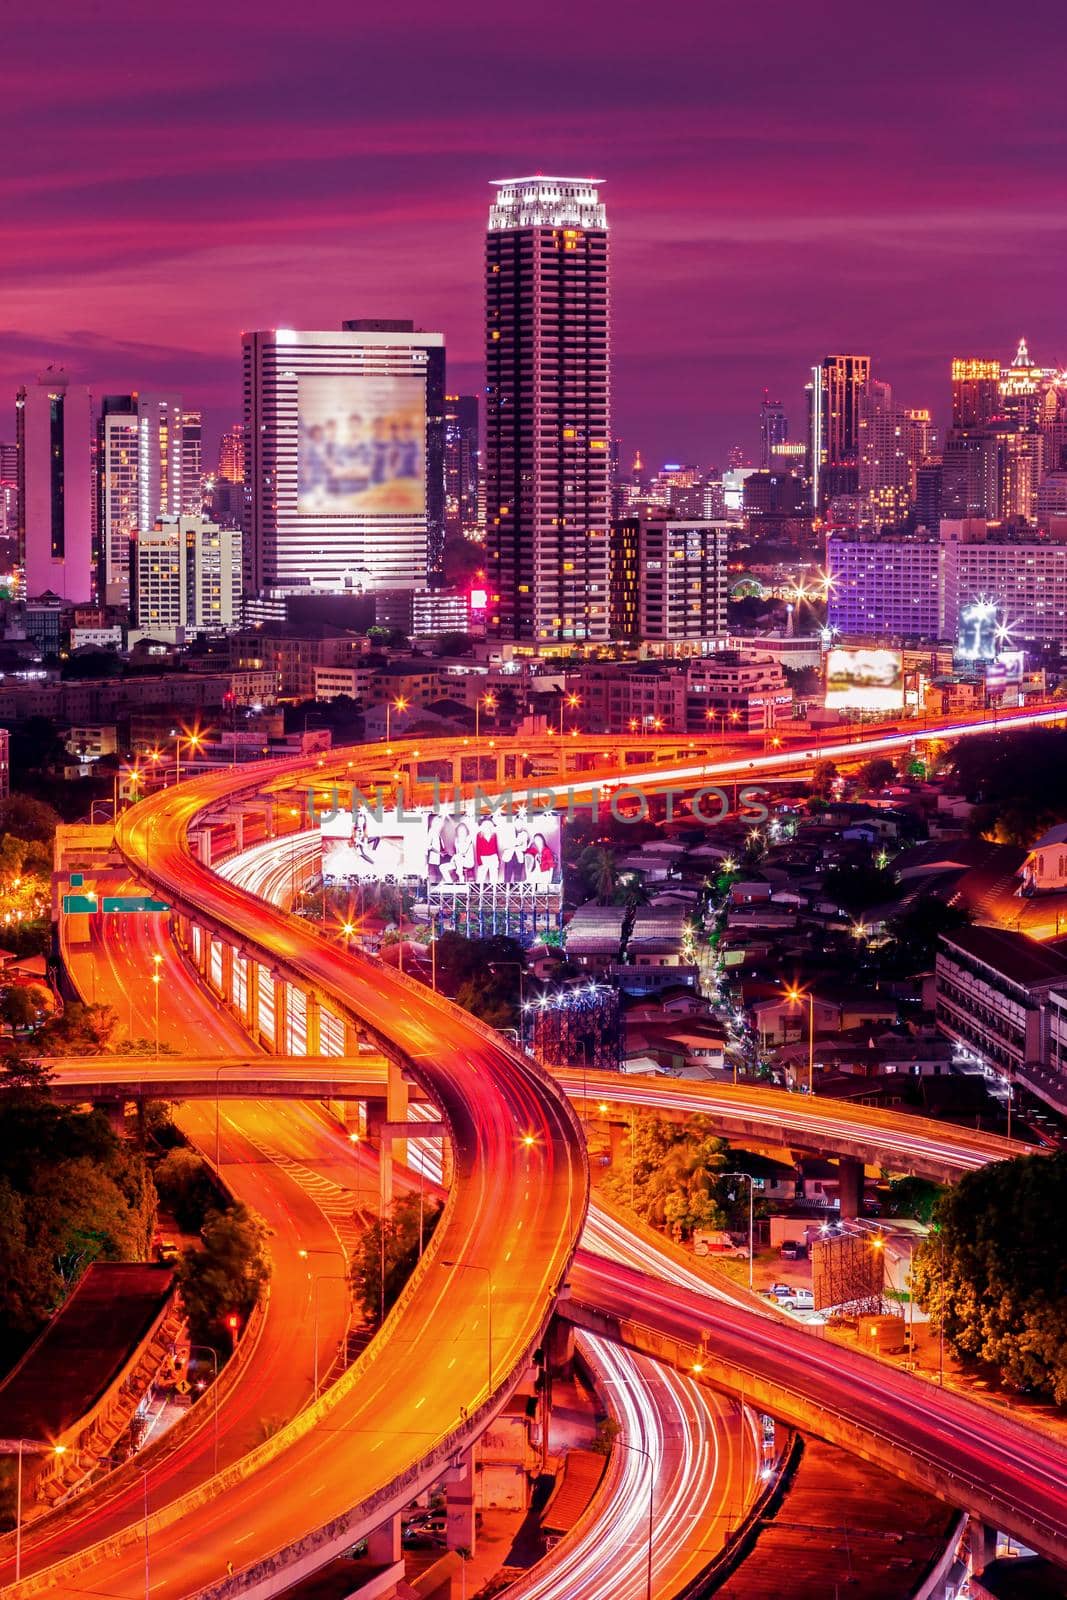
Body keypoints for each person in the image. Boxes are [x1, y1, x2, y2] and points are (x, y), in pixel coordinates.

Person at [474, 816, 501, 885]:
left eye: (489, 825)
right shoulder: (479, 835)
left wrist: (498, 859)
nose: (487, 827)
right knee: (480, 878)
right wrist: (479, 861)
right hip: (483, 858)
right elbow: (478, 849)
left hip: (493, 857)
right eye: (486, 825)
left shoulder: (494, 835)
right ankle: (478, 892)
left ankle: (494, 892)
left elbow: (496, 848)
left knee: (494, 877)